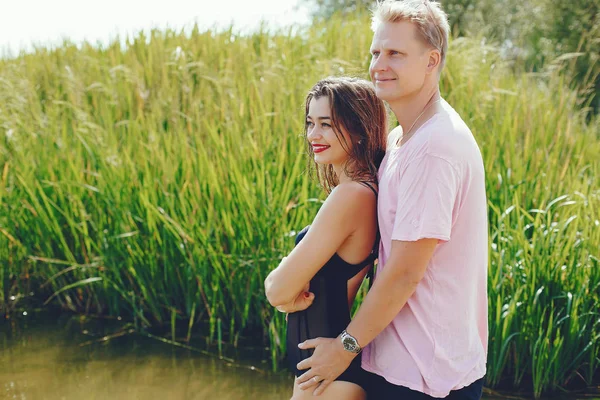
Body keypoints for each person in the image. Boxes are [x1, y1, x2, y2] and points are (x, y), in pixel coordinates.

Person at [292, 1, 489, 399]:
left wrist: (343, 348)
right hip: (389, 356)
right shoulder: (401, 138)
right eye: (375, 52)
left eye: (395, 53)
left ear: (432, 60)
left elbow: (404, 273)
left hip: (425, 376)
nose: (379, 64)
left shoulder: (435, 147)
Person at [264, 76, 388, 400]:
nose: (313, 135)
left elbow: (277, 289)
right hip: (321, 372)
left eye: (326, 124)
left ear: (360, 130)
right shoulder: (361, 190)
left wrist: (283, 289)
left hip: (331, 375)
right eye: (310, 123)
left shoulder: (351, 196)